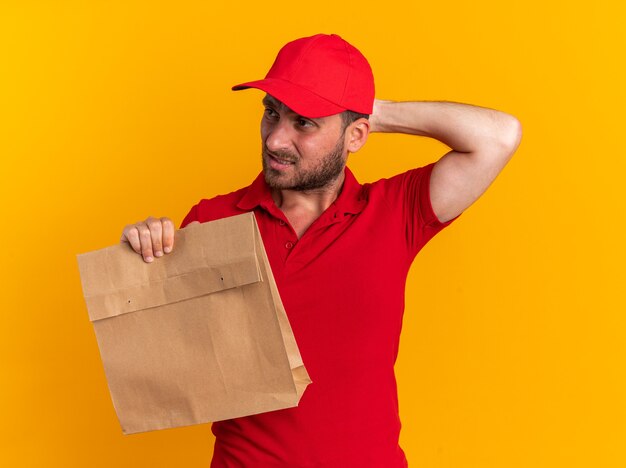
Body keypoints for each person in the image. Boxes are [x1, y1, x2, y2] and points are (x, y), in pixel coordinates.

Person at [120, 33, 521, 467]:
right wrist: (146, 259)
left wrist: (369, 110)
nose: (275, 139)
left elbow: (499, 136)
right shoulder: (213, 220)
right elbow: (172, 366)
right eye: (271, 114)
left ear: (356, 135)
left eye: (303, 122)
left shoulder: (394, 212)